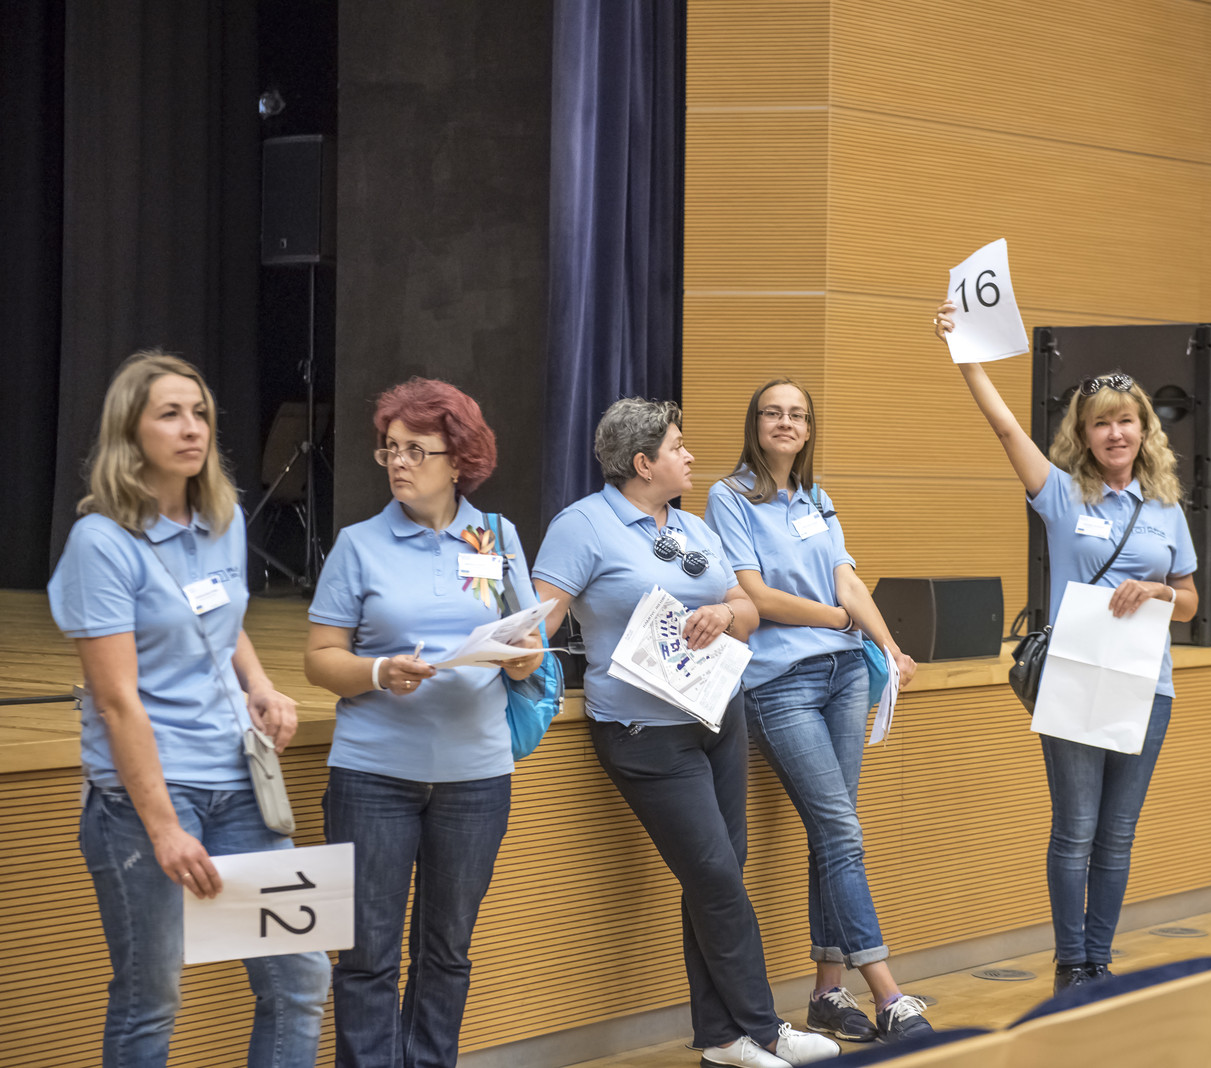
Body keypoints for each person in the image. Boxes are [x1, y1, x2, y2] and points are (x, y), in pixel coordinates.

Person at [530, 398, 839, 1068]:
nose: (690, 455)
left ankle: (723, 1040)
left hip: (718, 715)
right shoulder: (581, 526)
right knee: (715, 876)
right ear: (644, 463)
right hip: (643, 732)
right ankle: (763, 1029)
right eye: (677, 446)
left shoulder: (693, 526)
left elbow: (746, 608)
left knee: (719, 876)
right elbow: (538, 625)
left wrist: (724, 617)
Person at [48, 350, 330, 1066]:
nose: (191, 427)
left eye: (199, 412)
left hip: (239, 783)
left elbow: (221, 621)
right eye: (169, 414)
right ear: (129, 433)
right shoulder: (101, 543)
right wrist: (165, 828)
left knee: (300, 978)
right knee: (151, 1000)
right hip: (146, 799)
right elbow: (117, 702)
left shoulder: (223, 520)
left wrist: (259, 685)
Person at [934, 302, 1198, 994]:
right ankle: (1070, 962)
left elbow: (1191, 600)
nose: (1115, 432)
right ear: (1083, 434)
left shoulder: (1167, 509)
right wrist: (968, 359)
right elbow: (1005, 428)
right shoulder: (1060, 495)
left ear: (1144, 429)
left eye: (1126, 420)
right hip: (1076, 679)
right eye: (1101, 422)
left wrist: (1159, 592)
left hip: (1147, 686)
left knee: (1118, 833)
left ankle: (1100, 960)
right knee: (1075, 829)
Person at [304, 378, 543, 1067]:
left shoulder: (496, 537)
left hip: (476, 778)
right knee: (367, 957)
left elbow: (526, 642)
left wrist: (523, 660)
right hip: (374, 775)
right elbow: (320, 659)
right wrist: (381, 671)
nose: (399, 462)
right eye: (390, 448)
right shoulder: (358, 544)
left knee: (447, 953)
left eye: (416, 449)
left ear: (459, 458)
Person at [703, 379, 933, 1044]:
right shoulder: (728, 496)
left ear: (808, 429)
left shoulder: (816, 497)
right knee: (840, 830)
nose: (785, 422)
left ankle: (828, 993)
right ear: (755, 424)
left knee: (833, 833)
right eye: (773, 412)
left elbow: (847, 580)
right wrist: (837, 620)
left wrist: (888, 646)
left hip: (845, 676)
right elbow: (753, 596)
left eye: (797, 414)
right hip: (780, 683)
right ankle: (888, 994)